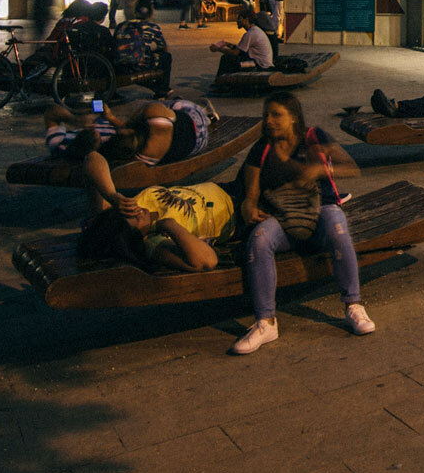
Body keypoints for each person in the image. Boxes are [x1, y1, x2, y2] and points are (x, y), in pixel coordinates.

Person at [231, 91, 372, 353]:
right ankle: (266, 322)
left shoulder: (313, 137)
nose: (269, 121)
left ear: (294, 117)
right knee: (259, 239)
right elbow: (250, 196)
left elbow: (351, 167)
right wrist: (248, 208)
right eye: (266, 116)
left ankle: (353, 305)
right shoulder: (261, 149)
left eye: (276, 115)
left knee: (337, 228)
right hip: (282, 215)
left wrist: (320, 169)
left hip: (321, 209)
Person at [74, 97, 218, 216]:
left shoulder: (143, 157)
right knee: (175, 104)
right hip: (195, 126)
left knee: (168, 111)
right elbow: (129, 125)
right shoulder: (155, 116)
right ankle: (208, 116)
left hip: (193, 144)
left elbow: (123, 133)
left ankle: (207, 117)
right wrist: (112, 118)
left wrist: (110, 118)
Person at [76, 181, 236, 273]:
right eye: (135, 219)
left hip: (223, 187)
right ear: (134, 238)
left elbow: (92, 158)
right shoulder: (154, 242)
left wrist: (112, 195)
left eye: (129, 214)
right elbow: (208, 261)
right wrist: (168, 224)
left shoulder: (121, 212)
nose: (137, 211)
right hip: (234, 211)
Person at [210, 6, 274, 78]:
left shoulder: (250, 34)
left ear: (246, 19)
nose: (237, 21)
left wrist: (218, 49)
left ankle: (221, 82)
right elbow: (240, 49)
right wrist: (227, 44)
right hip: (259, 61)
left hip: (261, 65)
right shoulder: (254, 30)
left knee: (226, 59)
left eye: (239, 19)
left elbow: (235, 52)